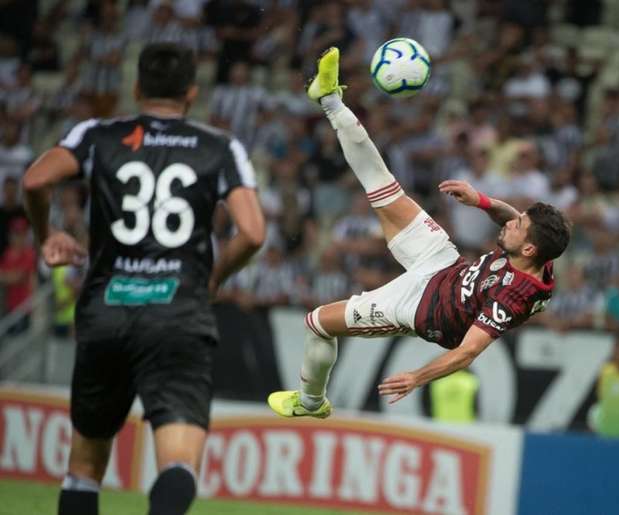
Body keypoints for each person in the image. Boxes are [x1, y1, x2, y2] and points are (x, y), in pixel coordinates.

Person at [22, 43, 265, 515]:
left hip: (106, 310)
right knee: (177, 463)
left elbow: (33, 181)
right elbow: (252, 233)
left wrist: (46, 233)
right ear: (192, 93)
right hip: (178, 314)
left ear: (136, 88)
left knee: (85, 467)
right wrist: (213, 277)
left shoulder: (97, 135)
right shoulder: (218, 146)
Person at [268, 48, 570, 418]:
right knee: (383, 186)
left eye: (517, 225)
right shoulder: (538, 253)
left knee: (317, 323)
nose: (510, 221)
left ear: (528, 248)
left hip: (420, 309)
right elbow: (511, 217)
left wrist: (417, 377)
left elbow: (468, 351)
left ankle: (310, 402)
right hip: (443, 264)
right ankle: (329, 98)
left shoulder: (515, 297)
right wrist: (481, 200)